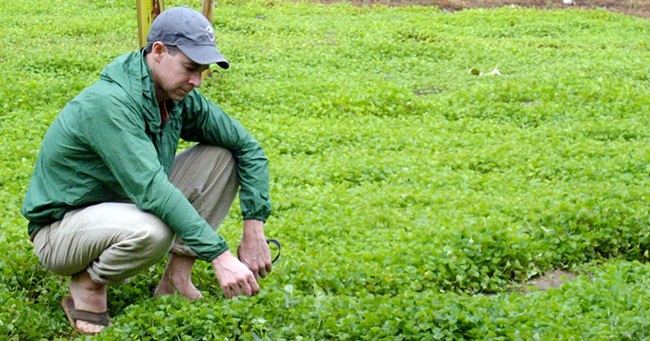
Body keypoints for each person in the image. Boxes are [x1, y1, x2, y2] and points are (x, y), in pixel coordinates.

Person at [21, 6, 273, 335]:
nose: (197, 81)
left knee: (223, 156)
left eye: (203, 71)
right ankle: (88, 284)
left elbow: (248, 147)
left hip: (126, 207)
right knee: (153, 229)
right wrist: (220, 255)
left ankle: (176, 280)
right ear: (157, 52)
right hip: (62, 231)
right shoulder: (110, 104)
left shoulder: (176, 95)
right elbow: (152, 190)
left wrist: (254, 229)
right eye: (190, 68)